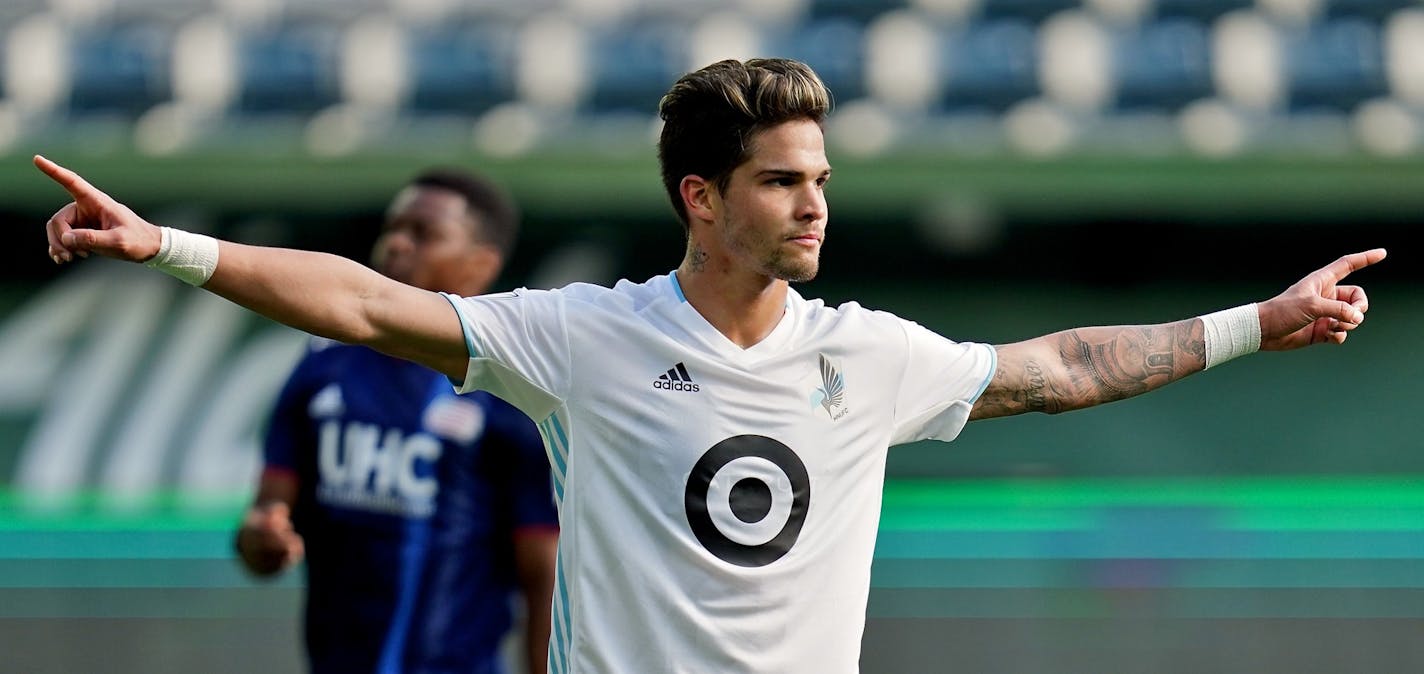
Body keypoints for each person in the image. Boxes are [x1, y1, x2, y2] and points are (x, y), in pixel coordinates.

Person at [36, 58, 1385, 674]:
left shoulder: (870, 355)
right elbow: (364, 302)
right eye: (782, 180)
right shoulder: (586, 338)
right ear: (701, 195)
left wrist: (1260, 320)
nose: (815, 204)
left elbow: (1064, 366)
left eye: (822, 179)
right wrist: (167, 244)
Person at [231, 168, 559, 674]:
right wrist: (263, 536)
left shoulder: (511, 393)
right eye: (394, 228)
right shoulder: (321, 368)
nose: (397, 245)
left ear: (480, 266)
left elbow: (543, 570)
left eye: (423, 234)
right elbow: (264, 522)